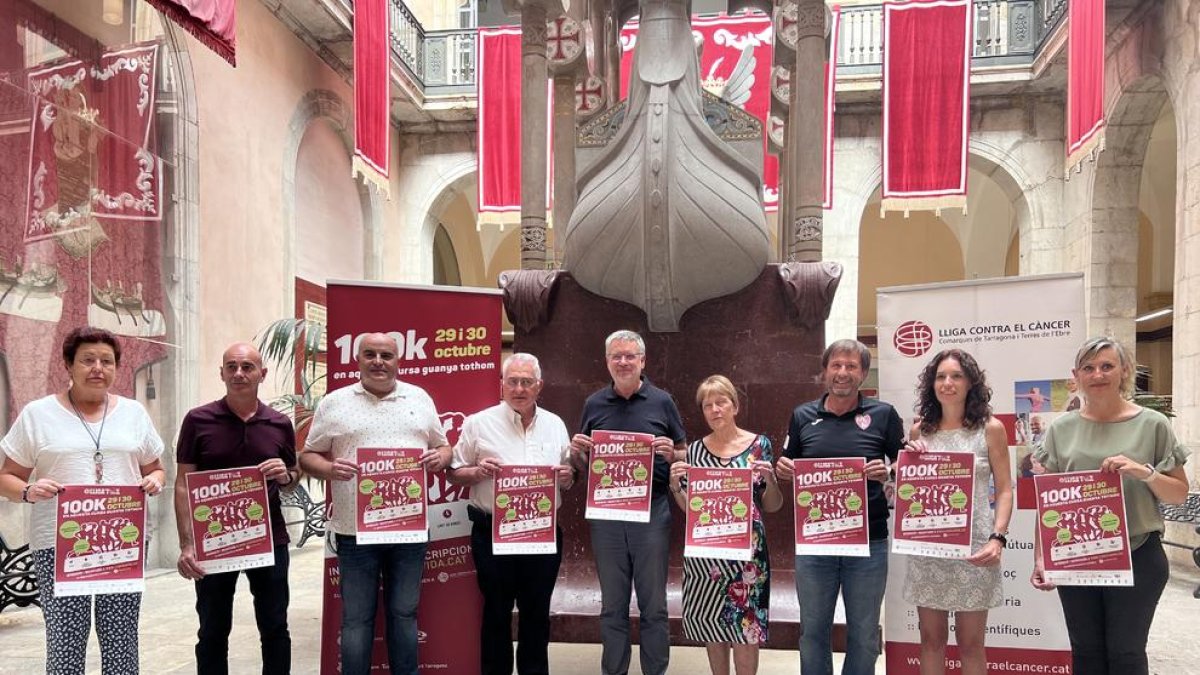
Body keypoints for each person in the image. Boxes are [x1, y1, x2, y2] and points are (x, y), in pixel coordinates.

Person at [0, 326, 166, 674]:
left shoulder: (134, 414)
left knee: (121, 640)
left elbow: (156, 468)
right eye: (87, 359)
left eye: (107, 361)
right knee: (65, 642)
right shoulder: (38, 414)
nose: (97, 368)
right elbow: (6, 477)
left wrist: (154, 479)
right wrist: (29, 491)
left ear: (116, 368)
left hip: (120, 542)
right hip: (59, 546)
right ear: (68, 364)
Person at [1031, 337, 1188, 675]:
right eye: (1088, 368)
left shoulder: (1153, 424)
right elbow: (1049, 500)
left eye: (1106, 366)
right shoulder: (1061, 429)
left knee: (1126, 655)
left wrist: (1143, 472)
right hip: (1076, 555)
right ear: (1077, 376)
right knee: (1085, 653)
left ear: (1123, 371)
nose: (1097, 374)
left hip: (1138, 554)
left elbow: (1178, 494)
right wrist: (1041, 557)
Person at [299, 332, 452, 675]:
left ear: (399, 360)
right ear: (359, 359)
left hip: (409, 533)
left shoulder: (419, 397)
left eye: (386, 355)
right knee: (355, 619)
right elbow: (307, 455)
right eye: (370, 354)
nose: (378, 362)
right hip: (355, 533)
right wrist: (328, 468)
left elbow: (444, 446)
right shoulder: (334, 403)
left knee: (404, 614)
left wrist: (439, 459)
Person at [775, 339, 903, 675]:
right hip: (815, 544)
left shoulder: (884, 414)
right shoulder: (802, 415)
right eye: (836, 365)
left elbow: (906, 466)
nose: (842, 373)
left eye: (851, 366)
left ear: (862, 373)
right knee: (813, 632)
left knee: (863, 634)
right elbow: (787, 464)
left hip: (869, 544)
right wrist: (783, 469)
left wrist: (888, 471)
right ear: (825, 371)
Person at [174, 342, 298, 674]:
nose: (239, 373)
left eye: (247, 367)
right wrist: (187, 543)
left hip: (269, 540)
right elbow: (183, 483)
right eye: (231, 366)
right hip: (214, 544)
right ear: (222, 373)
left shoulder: (280, 423)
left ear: (262, 374)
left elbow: (293, 475)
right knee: (213, 630)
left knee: (275, 627)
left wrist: (286, 475)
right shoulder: (198, 420)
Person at [447, 353, 574, 675]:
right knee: (496, 613)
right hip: (492, 533)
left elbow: (569, 473)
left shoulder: (555, 424)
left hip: (542, 534)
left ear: (539, 386)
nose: (519, 388)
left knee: (536, 613)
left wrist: (568, 476)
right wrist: (476, 471)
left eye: (527, 382)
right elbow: (454, 472)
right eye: (513, 381)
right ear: (501, 385)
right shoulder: (478, 422)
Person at [569, 329, 686, 675]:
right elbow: (582, 463)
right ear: (607, 362)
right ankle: (614, 671)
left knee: (654, 605)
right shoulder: (593, 404)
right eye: (616, 356)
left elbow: (682, 451)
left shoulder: (662, 401)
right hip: (606, 515)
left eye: (630, 356)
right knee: (613, 604)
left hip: (652, 511)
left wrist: (671, 452)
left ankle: (655, 671)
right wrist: (576, 453)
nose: (623, 362)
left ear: (642, 361)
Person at [900, 349, 1013, 675]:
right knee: (931, 641)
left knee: (971, 644)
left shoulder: (989, 429)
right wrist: (909, 461)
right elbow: (910, 490)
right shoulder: (920, 432)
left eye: (956, 376)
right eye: (940, 376)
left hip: (974, 549)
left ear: (970, 383)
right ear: (931, 384)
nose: (947, 383)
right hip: (929, 550)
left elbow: (1005, 489)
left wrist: (998, 537)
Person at [668, 375, 784, 675]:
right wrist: (677, 488)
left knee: (746, 631)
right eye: (708, 405)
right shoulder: (694, 451)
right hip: (706, 556)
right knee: (712, 627)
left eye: (721, 402)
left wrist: (770, 479)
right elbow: (692, 511)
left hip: (747, 557)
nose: (715, 409)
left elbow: (772, 506)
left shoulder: (759, 446)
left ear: (734, 405)